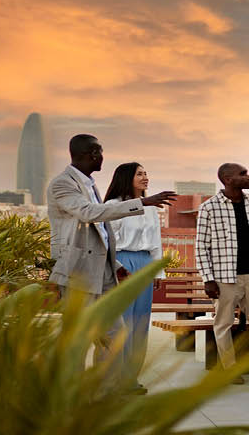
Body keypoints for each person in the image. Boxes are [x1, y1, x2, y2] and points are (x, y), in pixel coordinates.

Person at [47, 134, 175, 390]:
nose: (102, 157)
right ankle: (68, 395)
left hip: (106, 271)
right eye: (98, 152)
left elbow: (103, 235)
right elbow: (88, 214)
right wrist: (142, 202)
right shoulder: (63, 184)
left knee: (115, 335)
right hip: (78, 273)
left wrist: (116, 266)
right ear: (87, 154)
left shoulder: (89, 184)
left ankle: (106, 392)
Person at [195, 162, 249, 383]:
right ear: (228, 179)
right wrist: (208, 279)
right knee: (223, 323)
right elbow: (201, 245)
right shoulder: (209, 207)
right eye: (243, 174)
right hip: (224, 277)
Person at [104, 162, 165, 394]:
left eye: (146, 173)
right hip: (121, 264)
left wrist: (158, 270)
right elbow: (107, 242)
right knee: (122, 325)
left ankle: (131, 379)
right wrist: (118, 267)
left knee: (141, 324)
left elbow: (156, 242)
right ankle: (114, 380)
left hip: (144, 264)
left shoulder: (150, 207)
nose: (145, 177)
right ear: (126, 177)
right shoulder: (113, 206)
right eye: (139, 174)